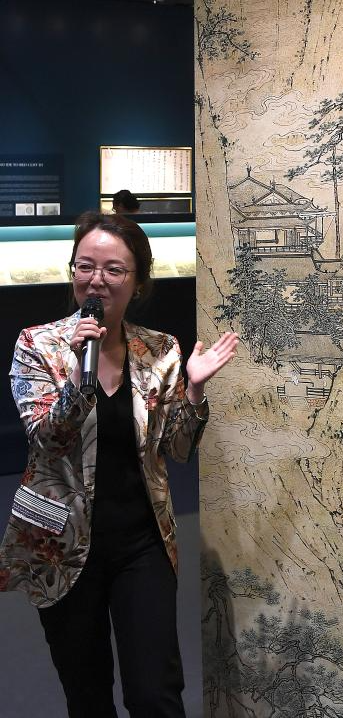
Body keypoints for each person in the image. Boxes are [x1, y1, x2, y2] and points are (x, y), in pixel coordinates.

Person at [0, 212, 239, 717]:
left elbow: (178, 449)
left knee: (155, 694)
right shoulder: (37, 345)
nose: (97, 280)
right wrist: (77, 374)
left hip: (142, 541)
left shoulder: (160, 350)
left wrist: (194, 390)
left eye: (113, 269)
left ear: (138, 281)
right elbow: (46, 439)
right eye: (85, 266)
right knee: (87, 695)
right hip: (60, 542)